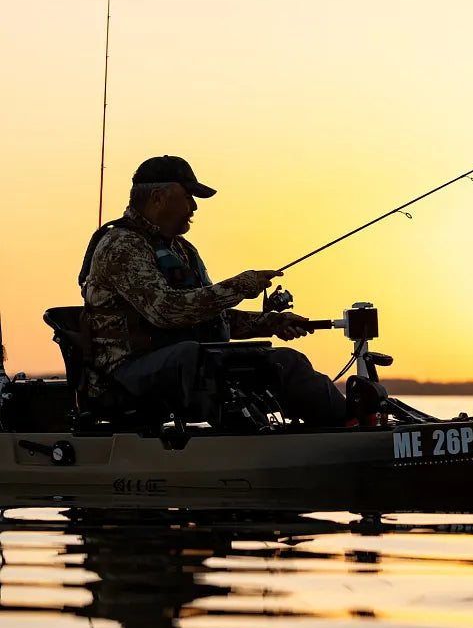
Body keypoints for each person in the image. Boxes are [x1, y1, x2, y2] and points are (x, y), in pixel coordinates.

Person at [78, 155, 346, 427]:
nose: (194, 207)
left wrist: (272, 323)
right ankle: (242, 436)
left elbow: (212, 316)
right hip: (123, 378)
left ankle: (348, 424)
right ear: (158, 198)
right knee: (197, 359)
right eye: (188, 197)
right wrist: (240, 286)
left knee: (284, 361)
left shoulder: (182, 249)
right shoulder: (121, 246)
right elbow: (167, 311)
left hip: (189, 363)